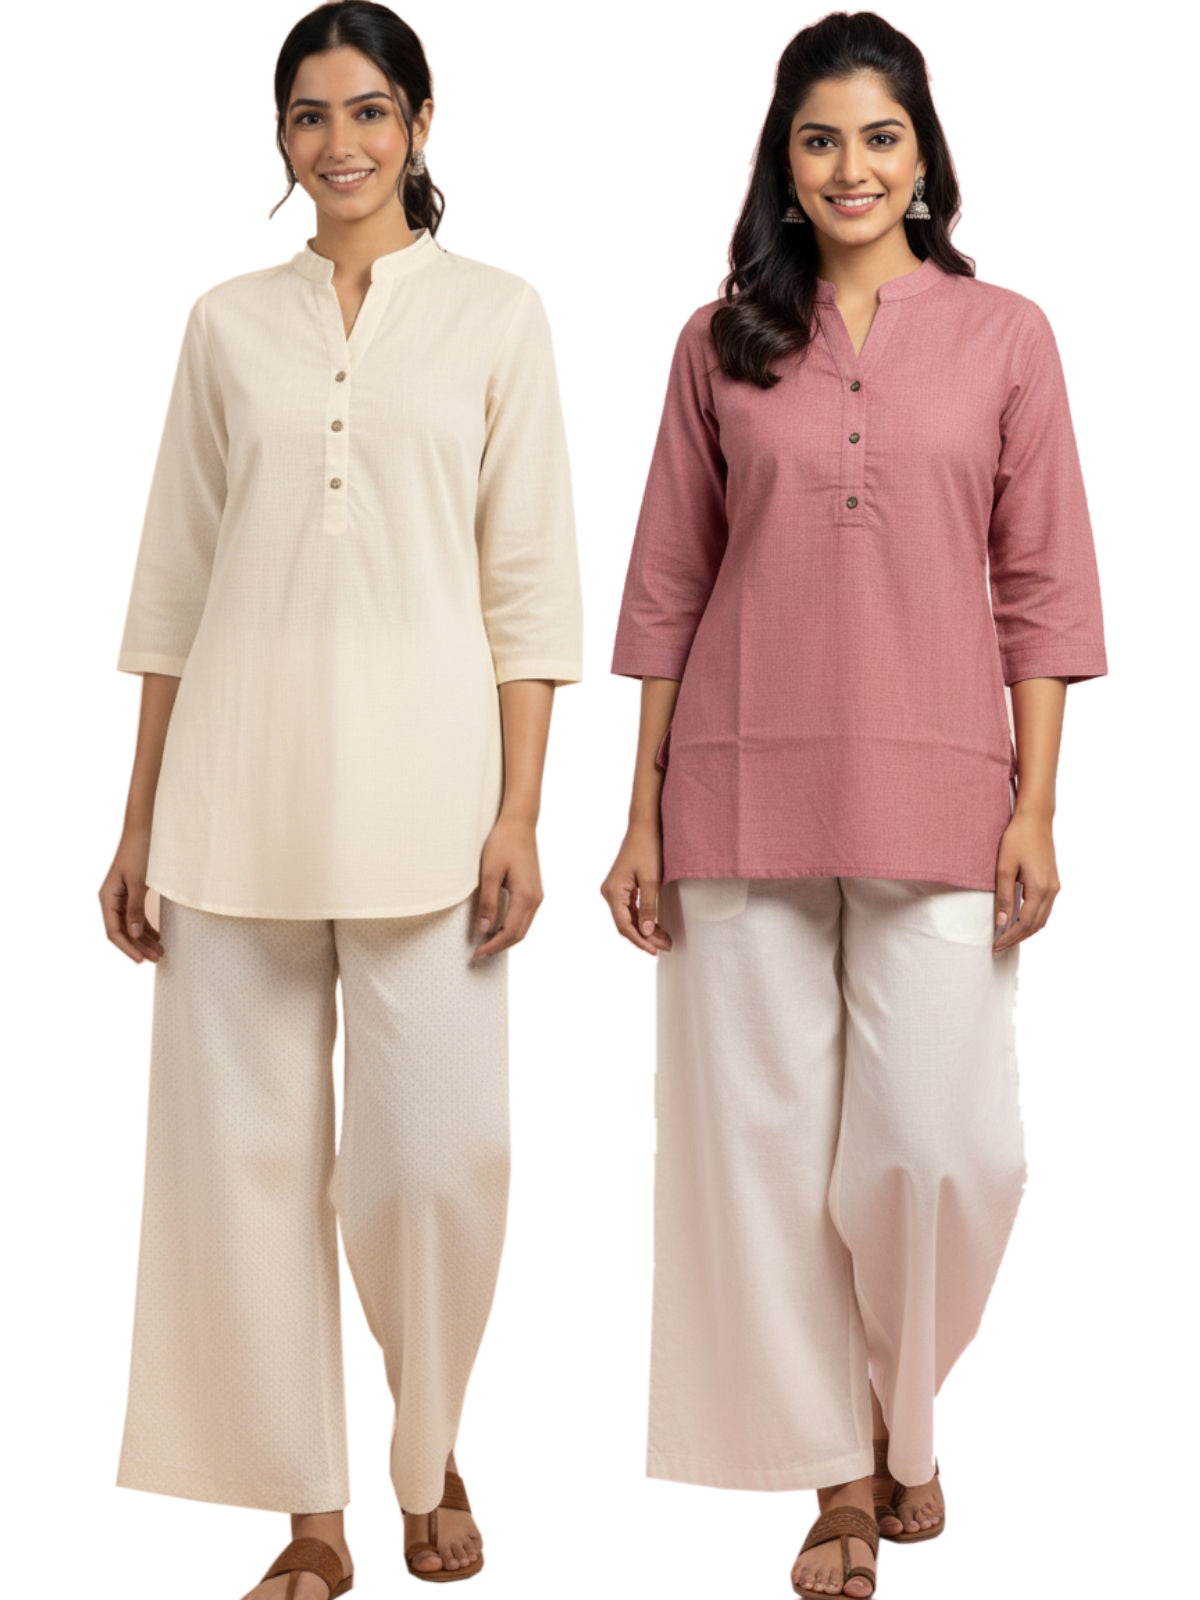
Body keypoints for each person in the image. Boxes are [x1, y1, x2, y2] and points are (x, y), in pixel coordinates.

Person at [601, 11, 1106, 1599]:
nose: (850, 167)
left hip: (943, 786)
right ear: (784, 160)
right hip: (738, 785)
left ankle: (905, 1416)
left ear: (924, 154)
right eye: (819, 139)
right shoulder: (720, 341)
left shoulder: (1007, 335)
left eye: (880, 137)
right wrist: (639, 816)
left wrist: (1037, 805)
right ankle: (836, 1481)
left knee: (947, 1149)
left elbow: (1042, 585)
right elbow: (668, 587)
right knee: (761, 1152)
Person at [100, 4, 582, 1594]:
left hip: (434, 807)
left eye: (369, 110)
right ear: (282, 138)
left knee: (433, 1163)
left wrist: (520, 812)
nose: (340, 142)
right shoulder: (226, 324)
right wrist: (137, 820)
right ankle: (311, 1513)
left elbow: (528, 589)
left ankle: (427, 1446)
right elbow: (175, 585)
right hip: (232, 797)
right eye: (310, 115)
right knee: (243, 1173)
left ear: (421, 124)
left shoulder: (498, 316)